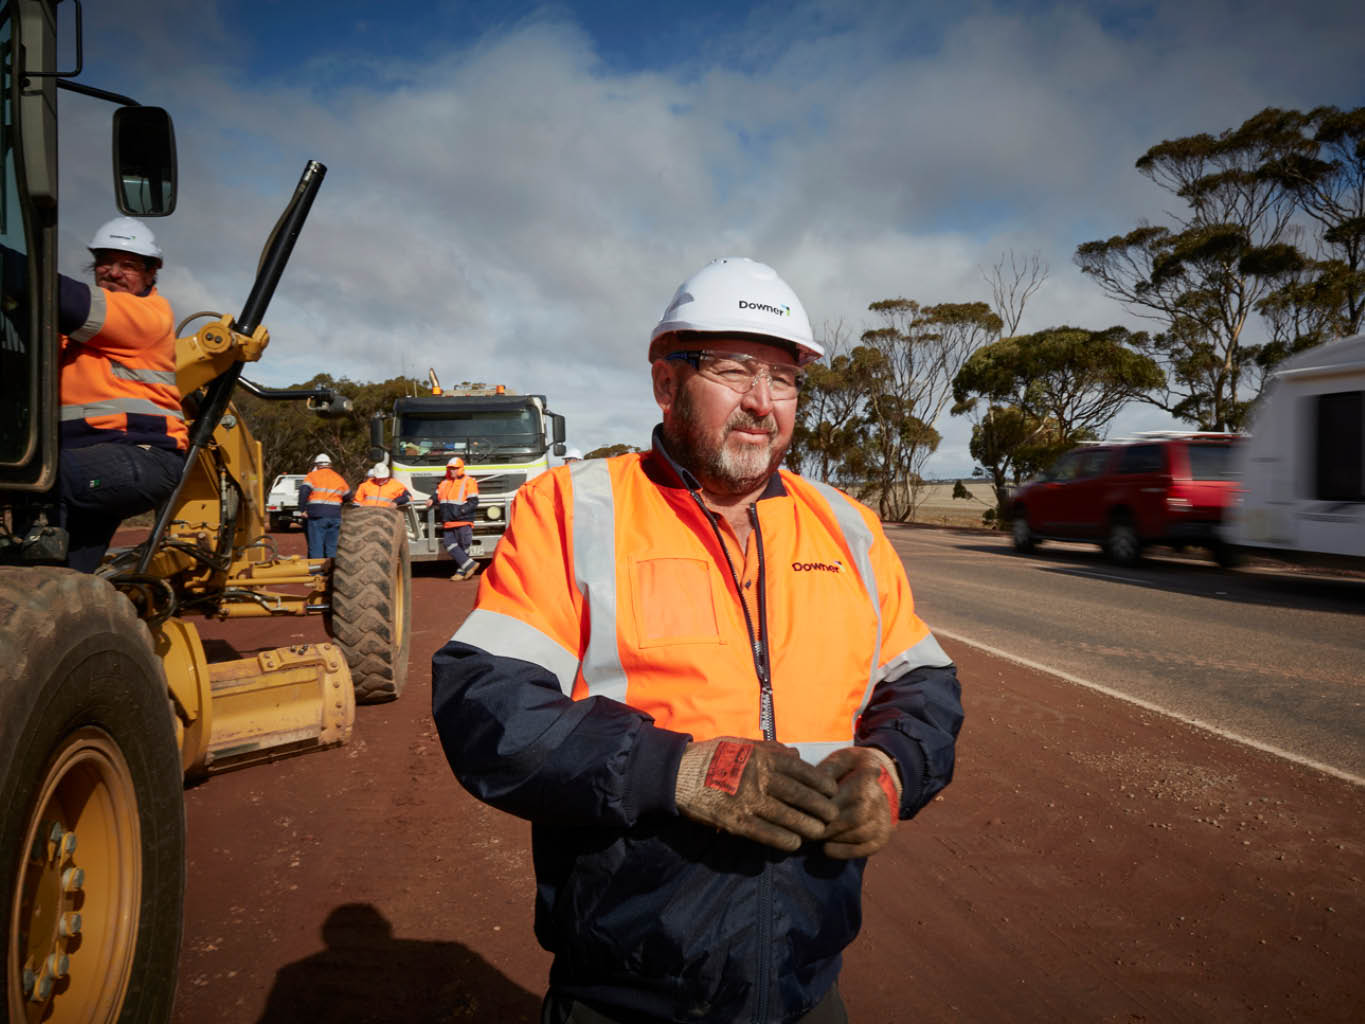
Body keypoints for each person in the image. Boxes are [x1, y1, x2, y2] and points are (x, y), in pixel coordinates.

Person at [431, 257, 964, 1024]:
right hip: (626, 979)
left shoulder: (846, 525)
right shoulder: (576, 508)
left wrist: (892, 768)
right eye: (732, 370)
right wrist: (674, 769)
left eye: (783, 378)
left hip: (806, 976)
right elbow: (486, 705)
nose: (761, 402)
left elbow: (922, 683)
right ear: (665, 382)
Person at [22, 216, 187, 572]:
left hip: (140, 458)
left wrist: (13, 264)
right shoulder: (72, 337)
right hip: (87, 459)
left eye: (127, 265)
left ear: (150, 273)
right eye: (105, 263)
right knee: (58, 580)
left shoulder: (148, 315)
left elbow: (63, 297)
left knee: (42, 478)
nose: (113, 272)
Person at [430, 456, 480, 580]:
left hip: (462, 520)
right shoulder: (444, 483)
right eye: (450, 468)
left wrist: (460, 511)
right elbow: (436, 495)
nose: (452, 471)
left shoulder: (469, 481)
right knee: (449, 543)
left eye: (455, 468)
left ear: (461, 469)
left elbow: (473, 501)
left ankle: (460, 572)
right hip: (448, 521)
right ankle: (471, 565)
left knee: (463, 547)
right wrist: (431, 499)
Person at [298, 453, 351, 559]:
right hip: (334, 516)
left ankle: (317, 573)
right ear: (330, 465)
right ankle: (331, 572)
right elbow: (348, 496)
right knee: (332, 547)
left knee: (316, 546)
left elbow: (304, 491)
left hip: (317, 516)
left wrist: (302, 509)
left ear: (317, 465)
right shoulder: (338, 478)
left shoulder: (312, 476)